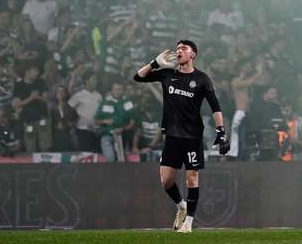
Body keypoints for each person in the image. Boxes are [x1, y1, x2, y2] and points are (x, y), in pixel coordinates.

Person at [133, 40, 229, 233]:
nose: (179, 51)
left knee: (192, 179)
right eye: (177, 48)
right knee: (166, 181)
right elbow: (138, 77)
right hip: (172, 136)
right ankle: (181, 206)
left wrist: (221, 131)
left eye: (184, 48)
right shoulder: (168, 73)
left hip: (192, 136)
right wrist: (154, 63)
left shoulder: (202, 78)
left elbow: (215, 106)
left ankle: (189, 223)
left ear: (193, 55)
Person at [11, 64, 51, 152]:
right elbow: (15, 104)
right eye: (34, 70)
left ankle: (47, 163)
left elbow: (46, 99)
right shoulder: (19, 85)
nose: (37, 73)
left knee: (45, 145)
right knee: (30, 146)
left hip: (42, 118)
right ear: (27, 72)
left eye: (37, 71)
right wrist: (30, 98)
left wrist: (38, 97)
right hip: (28, 120)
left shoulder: (40, 82)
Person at [94, 80, 135, 162]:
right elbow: (96, 120)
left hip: (123, 136)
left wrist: (122, 129)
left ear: (123, 90)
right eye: (115, 89)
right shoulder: (105, 102)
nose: (117, 91)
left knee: (122, 161)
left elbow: (133, 123)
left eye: (120, 89)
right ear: (111, 90)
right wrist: (104, 121)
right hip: (107, 135)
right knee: (110, 159)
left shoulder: (128, 103)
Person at [68, 72, 102, 152]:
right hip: (83, 130)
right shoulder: (78, 95)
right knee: (85, 155)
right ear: (86, 80)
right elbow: (68, 109)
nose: (96, 81)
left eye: (96, 79)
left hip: (96, 131)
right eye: (94, 79)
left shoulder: (99, 95)